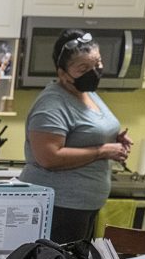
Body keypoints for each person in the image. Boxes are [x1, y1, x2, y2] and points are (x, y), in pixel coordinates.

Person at [20, 29, 133, 243]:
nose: (95, 71)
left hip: (84, 205)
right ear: (62, 73)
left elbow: (87, 127)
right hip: (61, 206)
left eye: (97, 63)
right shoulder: (52, 104)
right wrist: (102, 151)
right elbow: (49, 157)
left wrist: (113, 136)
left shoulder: (86, 93)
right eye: (84, 68)